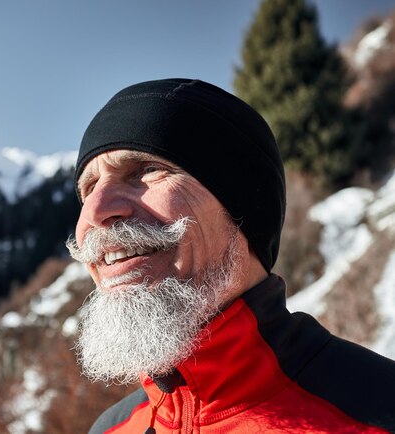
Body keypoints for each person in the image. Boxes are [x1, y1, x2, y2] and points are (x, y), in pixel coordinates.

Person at [66, 79, 395, 433]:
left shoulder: (377, 411)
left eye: (146, 170)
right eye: (88, 188)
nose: (95, 213)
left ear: (242, 208)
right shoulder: (110, 428)